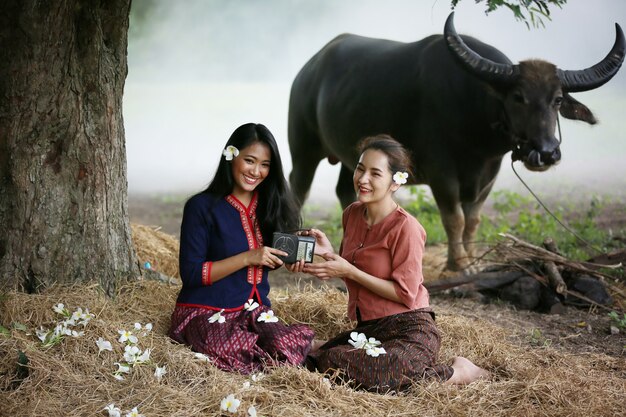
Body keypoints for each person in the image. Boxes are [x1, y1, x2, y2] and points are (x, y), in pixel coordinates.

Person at [289, 134, 489, 392]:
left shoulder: (406, 228)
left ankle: (460, 371)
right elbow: (354, 272)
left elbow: (404, 294)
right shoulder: (351, 214)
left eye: (375, 174)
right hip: (370, 328)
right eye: (360, 169)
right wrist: (328, 255)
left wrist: (348, 269)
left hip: (409, 327)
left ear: (395, 182)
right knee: (313, 360)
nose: (362, 179)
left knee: (385, 372)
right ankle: (335, 349)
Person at [169, 123, 315, 374]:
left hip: (255, 312)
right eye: (250, 160)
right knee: (228, 348)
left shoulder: (270, 206)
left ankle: (289, 349)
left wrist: (287, 260)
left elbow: (267, 262)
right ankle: (285, 352)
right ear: (231, 155)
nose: (256, 171)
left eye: (265, 165)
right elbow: (192, 274)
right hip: (206, 313)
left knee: (283, 343)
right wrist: (248, 258)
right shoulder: (201, 207)